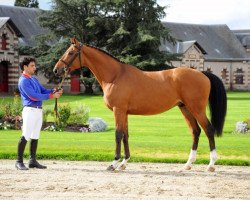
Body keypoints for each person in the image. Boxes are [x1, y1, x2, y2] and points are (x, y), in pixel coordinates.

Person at [15, 57, 63, 170]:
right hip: (29, 111)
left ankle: (32, 161)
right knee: (26, 135)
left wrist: (53, 91)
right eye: (32, 66)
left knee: (35, 135)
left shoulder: (34, 79)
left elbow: (42, 91)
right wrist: (52, 96)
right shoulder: (23, 81)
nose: (34, 68)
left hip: (38, 111)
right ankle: (19, 162)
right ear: (25, 67)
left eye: (34, 65)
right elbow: (33, 96)